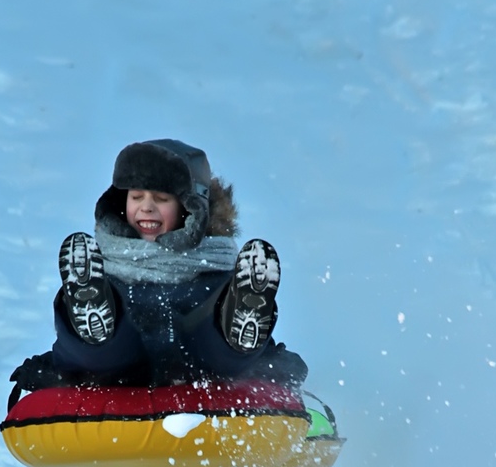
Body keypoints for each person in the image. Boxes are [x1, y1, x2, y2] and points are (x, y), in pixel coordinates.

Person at [48, 138, 307, 388]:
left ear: (190, 209)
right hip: (120, 371)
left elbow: (269, 360)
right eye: (136, 197)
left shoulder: (214, 272)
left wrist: (280, 368)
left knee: (213, 330)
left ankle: (236, 324)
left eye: (161, 199)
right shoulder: (107, 270)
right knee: (104, 346)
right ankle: (90, 311)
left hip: (202, 365)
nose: (146, 208)